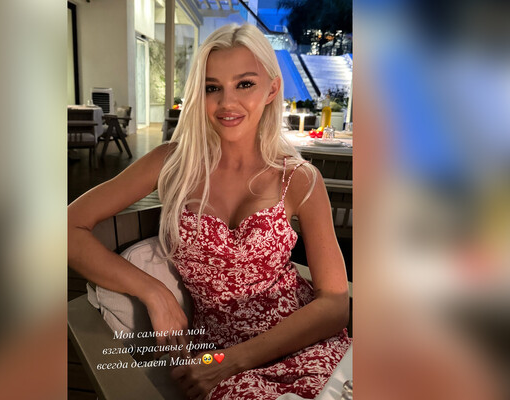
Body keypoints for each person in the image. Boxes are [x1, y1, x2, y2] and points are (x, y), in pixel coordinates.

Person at [68, 23, 351, 400]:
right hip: (215, 356)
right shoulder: (171, 163)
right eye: (212, 87)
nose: (227, 103)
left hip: (304, 343)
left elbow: (334, 304)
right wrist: (155, 293)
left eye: (245, 84)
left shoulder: (298, 178)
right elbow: (68, 229)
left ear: (272, 89)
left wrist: (233, 360)